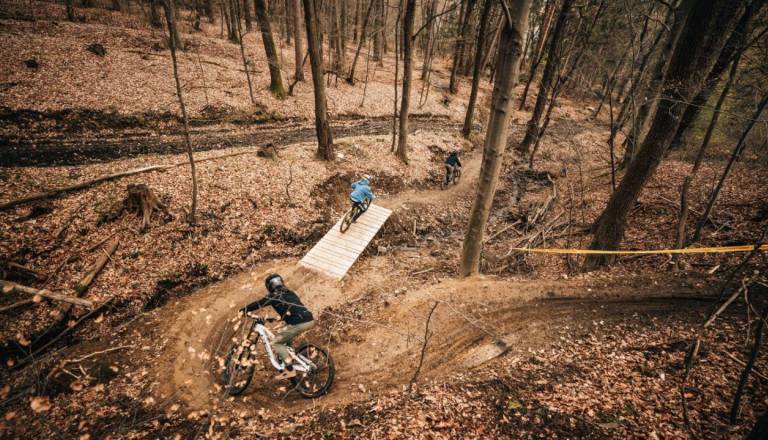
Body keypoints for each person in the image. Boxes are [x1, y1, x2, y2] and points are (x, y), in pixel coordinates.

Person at [240, 273, 315, 380]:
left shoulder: (274, 296)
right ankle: (288, 359)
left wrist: (243, 310)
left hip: (299, 323)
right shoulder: (289, 293)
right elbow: (291, 310)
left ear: (269, 286)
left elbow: (258, 303)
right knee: (285, 338)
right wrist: (273, 319)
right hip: (308, 319)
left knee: (276, 342)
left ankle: (290, 370)